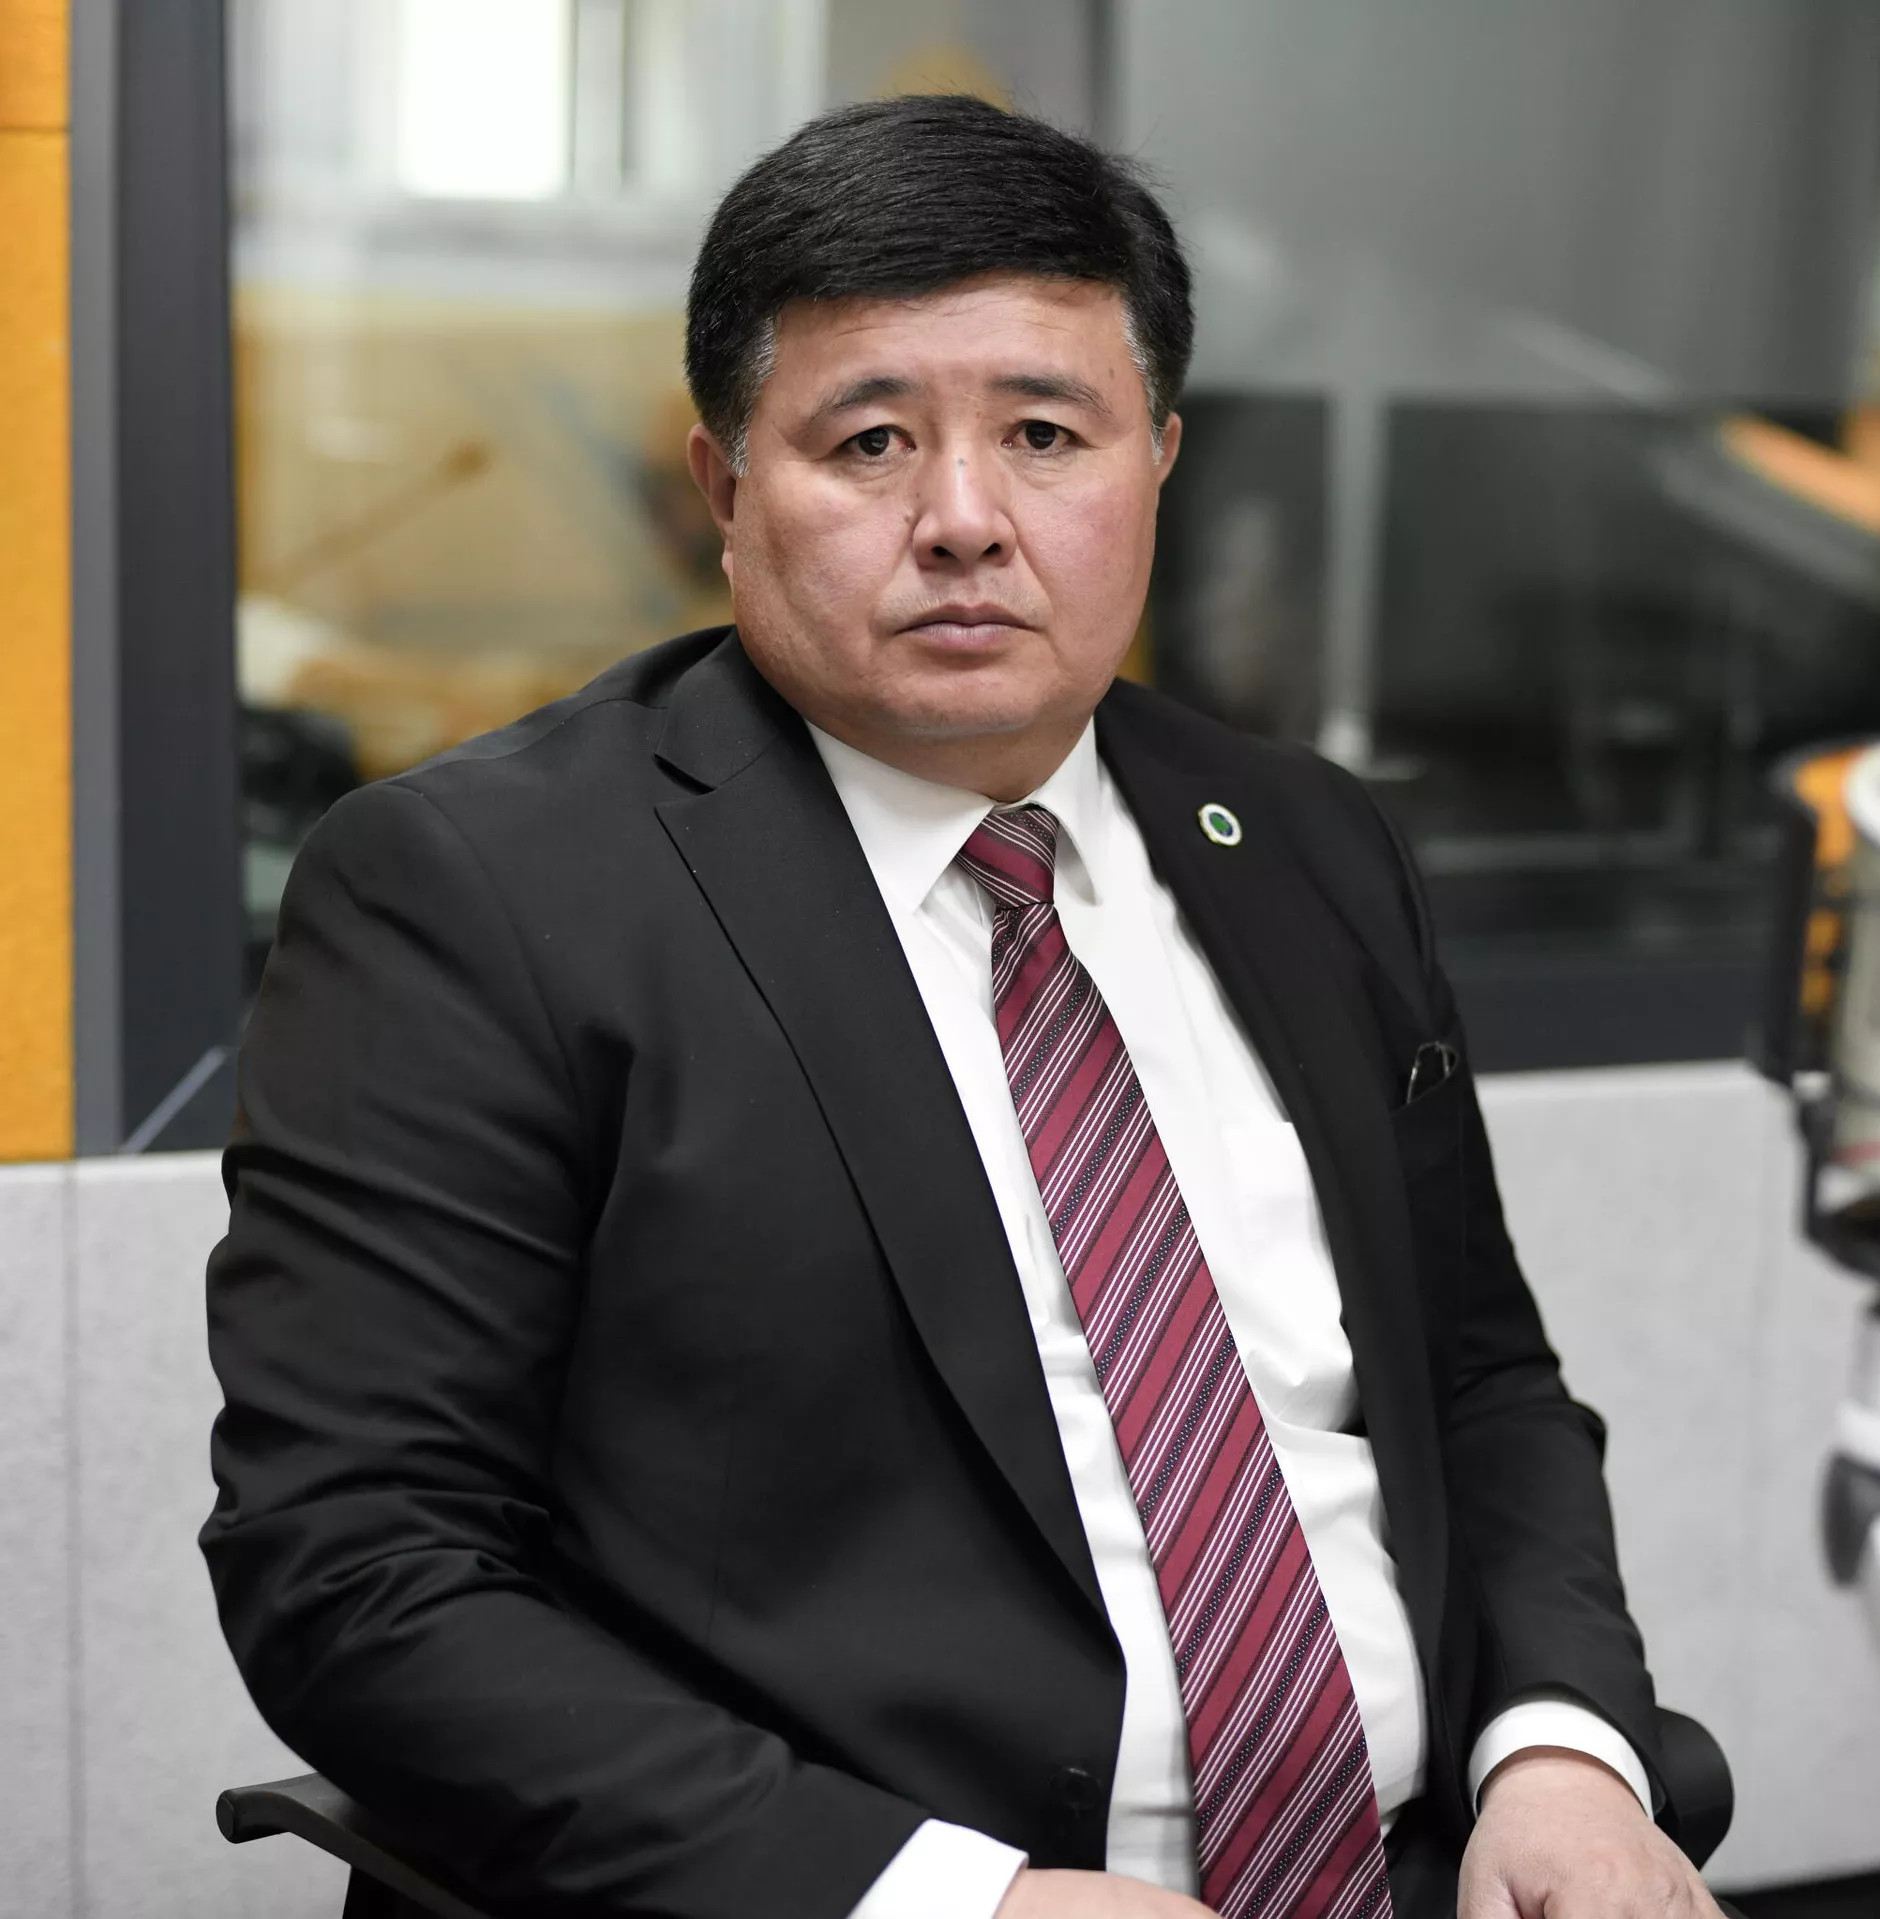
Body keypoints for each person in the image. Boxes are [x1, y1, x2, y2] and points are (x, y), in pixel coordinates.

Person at [202, 95, 1724, 1919]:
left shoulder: (1305, 843)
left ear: (1158, 460)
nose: (965, 521)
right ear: (723, 490)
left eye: (1045, 434)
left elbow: (1476, 1380)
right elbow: (360, 1571)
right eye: (868, 441)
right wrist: (957, 1903)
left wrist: (1562, 1756)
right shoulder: (481, 894)